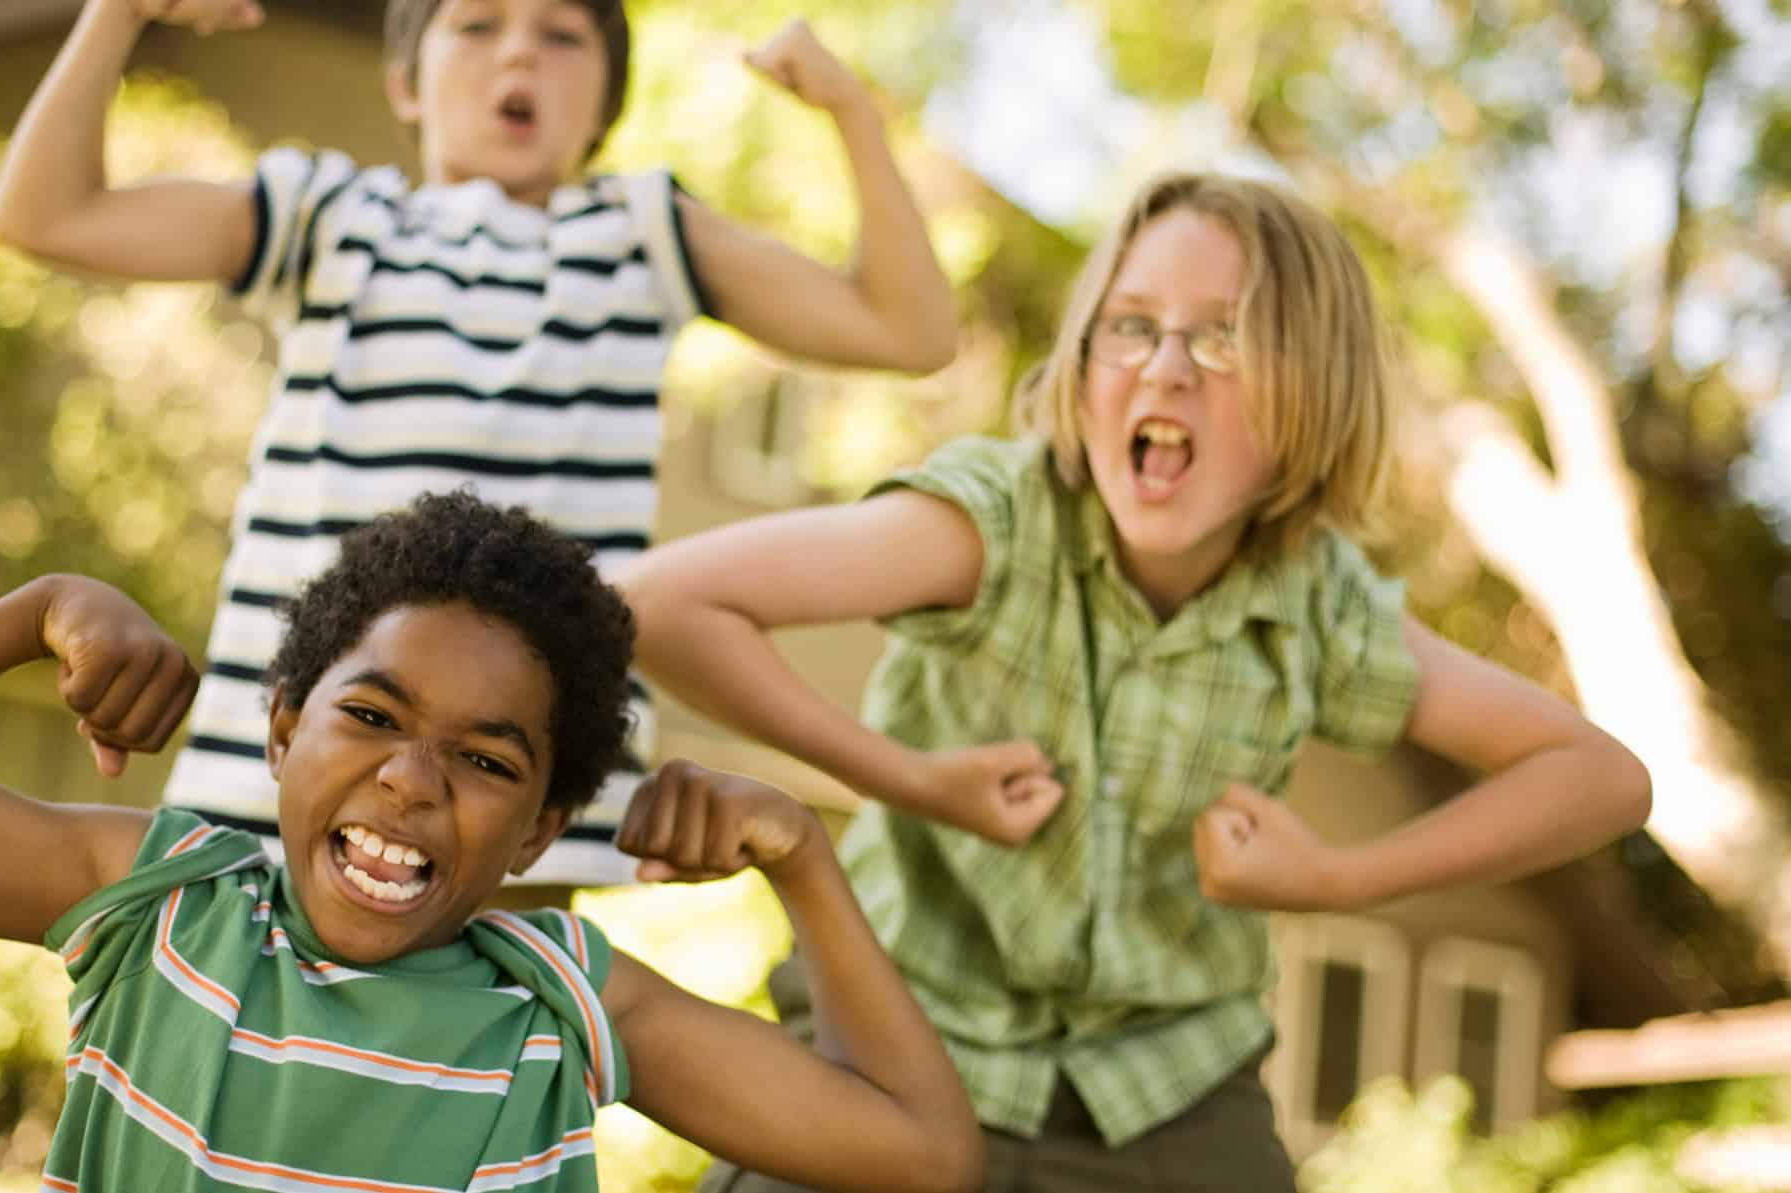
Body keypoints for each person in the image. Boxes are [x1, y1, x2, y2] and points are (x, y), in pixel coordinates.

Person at [614, 172, 1654, 1192]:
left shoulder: (1317, 608)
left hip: (1168, 1094)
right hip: (896, 1042)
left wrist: (1334, 878)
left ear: (1315, 393)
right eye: (1131, 325)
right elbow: (661, 604)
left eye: (1224, 335)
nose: (1165, 368)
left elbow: (1598, 776)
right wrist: (912, 777)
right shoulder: (997, 523)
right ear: (1082, 362)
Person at [0, 491, 984, 1193]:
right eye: (371, 716)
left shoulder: (560, 997)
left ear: (538, 830)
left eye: (485, 759)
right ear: (284, 730)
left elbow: (925, 1154)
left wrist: (803, 855)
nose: (412, 780)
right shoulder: (159, 904)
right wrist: (32, 612)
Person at [0, 0, 956, 887]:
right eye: (478, 24)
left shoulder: (641, 236)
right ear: (406, 82)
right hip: (272, 793)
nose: (521, 49)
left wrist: (849, 110)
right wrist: (117, 12)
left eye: (562, 34)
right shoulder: (331, 218)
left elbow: (907, 332)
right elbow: (44, 215)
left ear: (603, 105)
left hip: (522, 828)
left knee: (476, 1069)